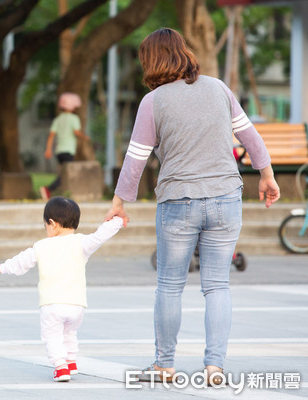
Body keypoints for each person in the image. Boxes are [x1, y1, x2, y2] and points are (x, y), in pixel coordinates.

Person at [105, 28, 280, 385]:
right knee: (217, 285)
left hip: (178, 201)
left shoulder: (153, 102)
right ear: (183, 52)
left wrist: (120, 201)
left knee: (170, 285)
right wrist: (267, 175)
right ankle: (215, 366)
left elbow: (135, 158)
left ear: (151, 61)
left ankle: (164, 365)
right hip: (225, 197)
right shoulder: (218, 88)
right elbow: (251, 136)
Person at [0, 197, 123, 382]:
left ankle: (60, 367)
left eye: (45, 225)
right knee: (69, 333)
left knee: (52, 336)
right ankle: (71, 362)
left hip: (52, 304)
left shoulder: (41, 246)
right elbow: (101, 235)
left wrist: (3, 267)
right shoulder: (82, 243)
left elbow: (21, 262)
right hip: (77, 304)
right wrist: (118, 220)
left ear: (52, 223)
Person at [39, 93, 90, 201]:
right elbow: (76, 132)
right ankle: (48, 189)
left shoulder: (57, 119)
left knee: (63, 173)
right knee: (65, 174)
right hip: (68, 150)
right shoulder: (74, 118)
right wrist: (84, 137)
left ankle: (59, 193)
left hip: (59, 151)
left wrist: (48, 150)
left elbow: (51, 136)